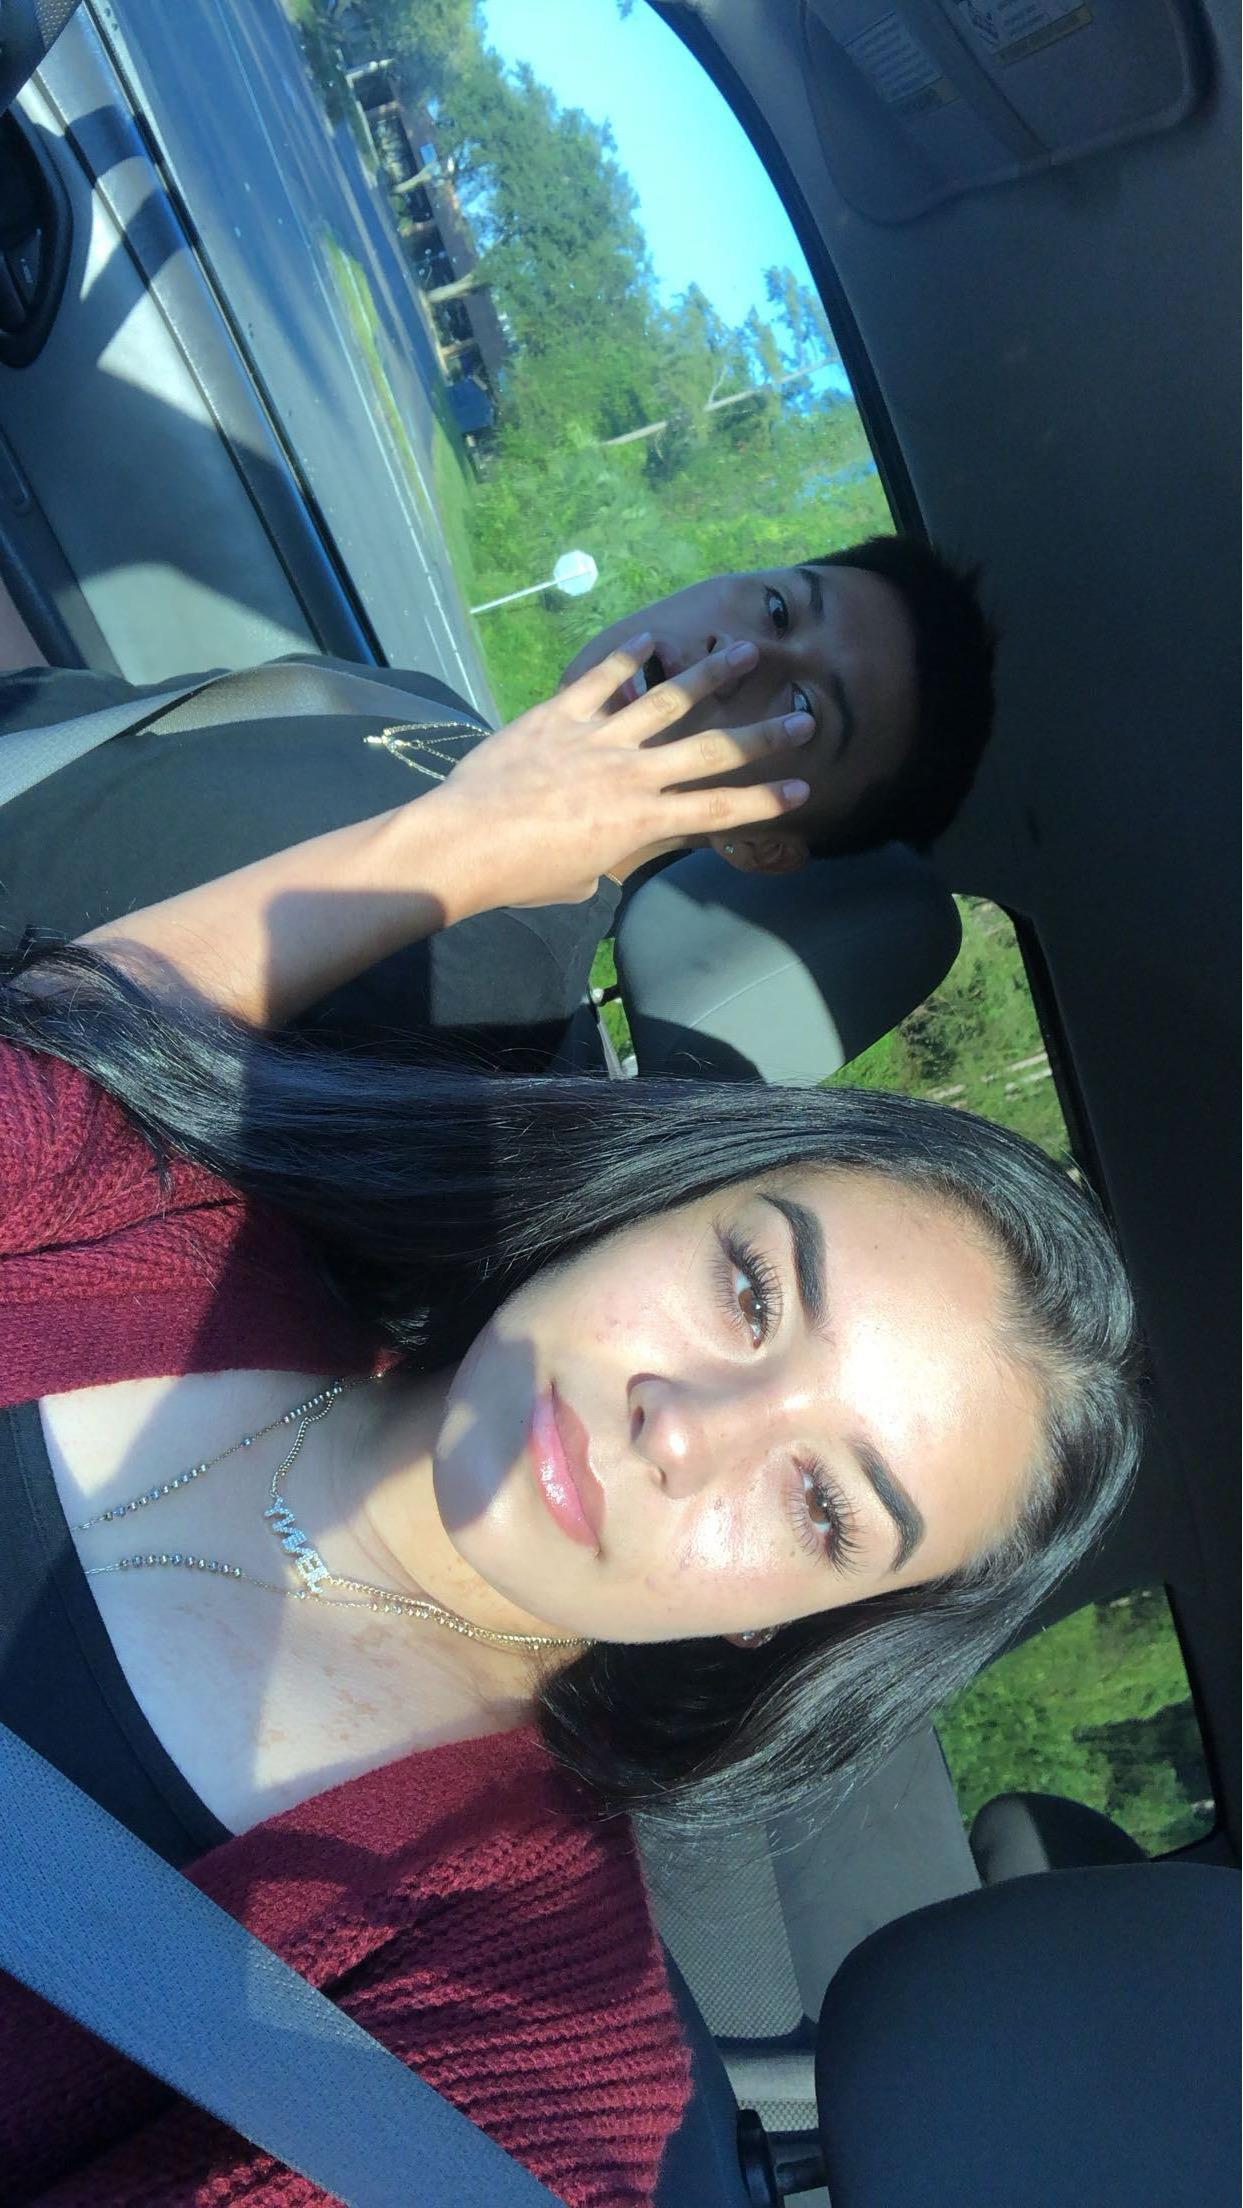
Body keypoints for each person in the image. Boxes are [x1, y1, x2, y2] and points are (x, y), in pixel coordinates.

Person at [0, 637, 1136, 2205]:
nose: (684, 1427)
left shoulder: (525, 2028)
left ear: (788, 1626)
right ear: (644, 1201)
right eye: (748, 1289)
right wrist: (461, 843)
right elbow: (71, 1042)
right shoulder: (161, 1219)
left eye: (821, 1506)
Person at [0, 534, 995, 1065]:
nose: (736, 659)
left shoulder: (488, 1030)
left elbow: (50, 1108)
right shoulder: (419, 704)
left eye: (803, 710)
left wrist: (467, 842)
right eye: (776, 606)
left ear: (763, 845)